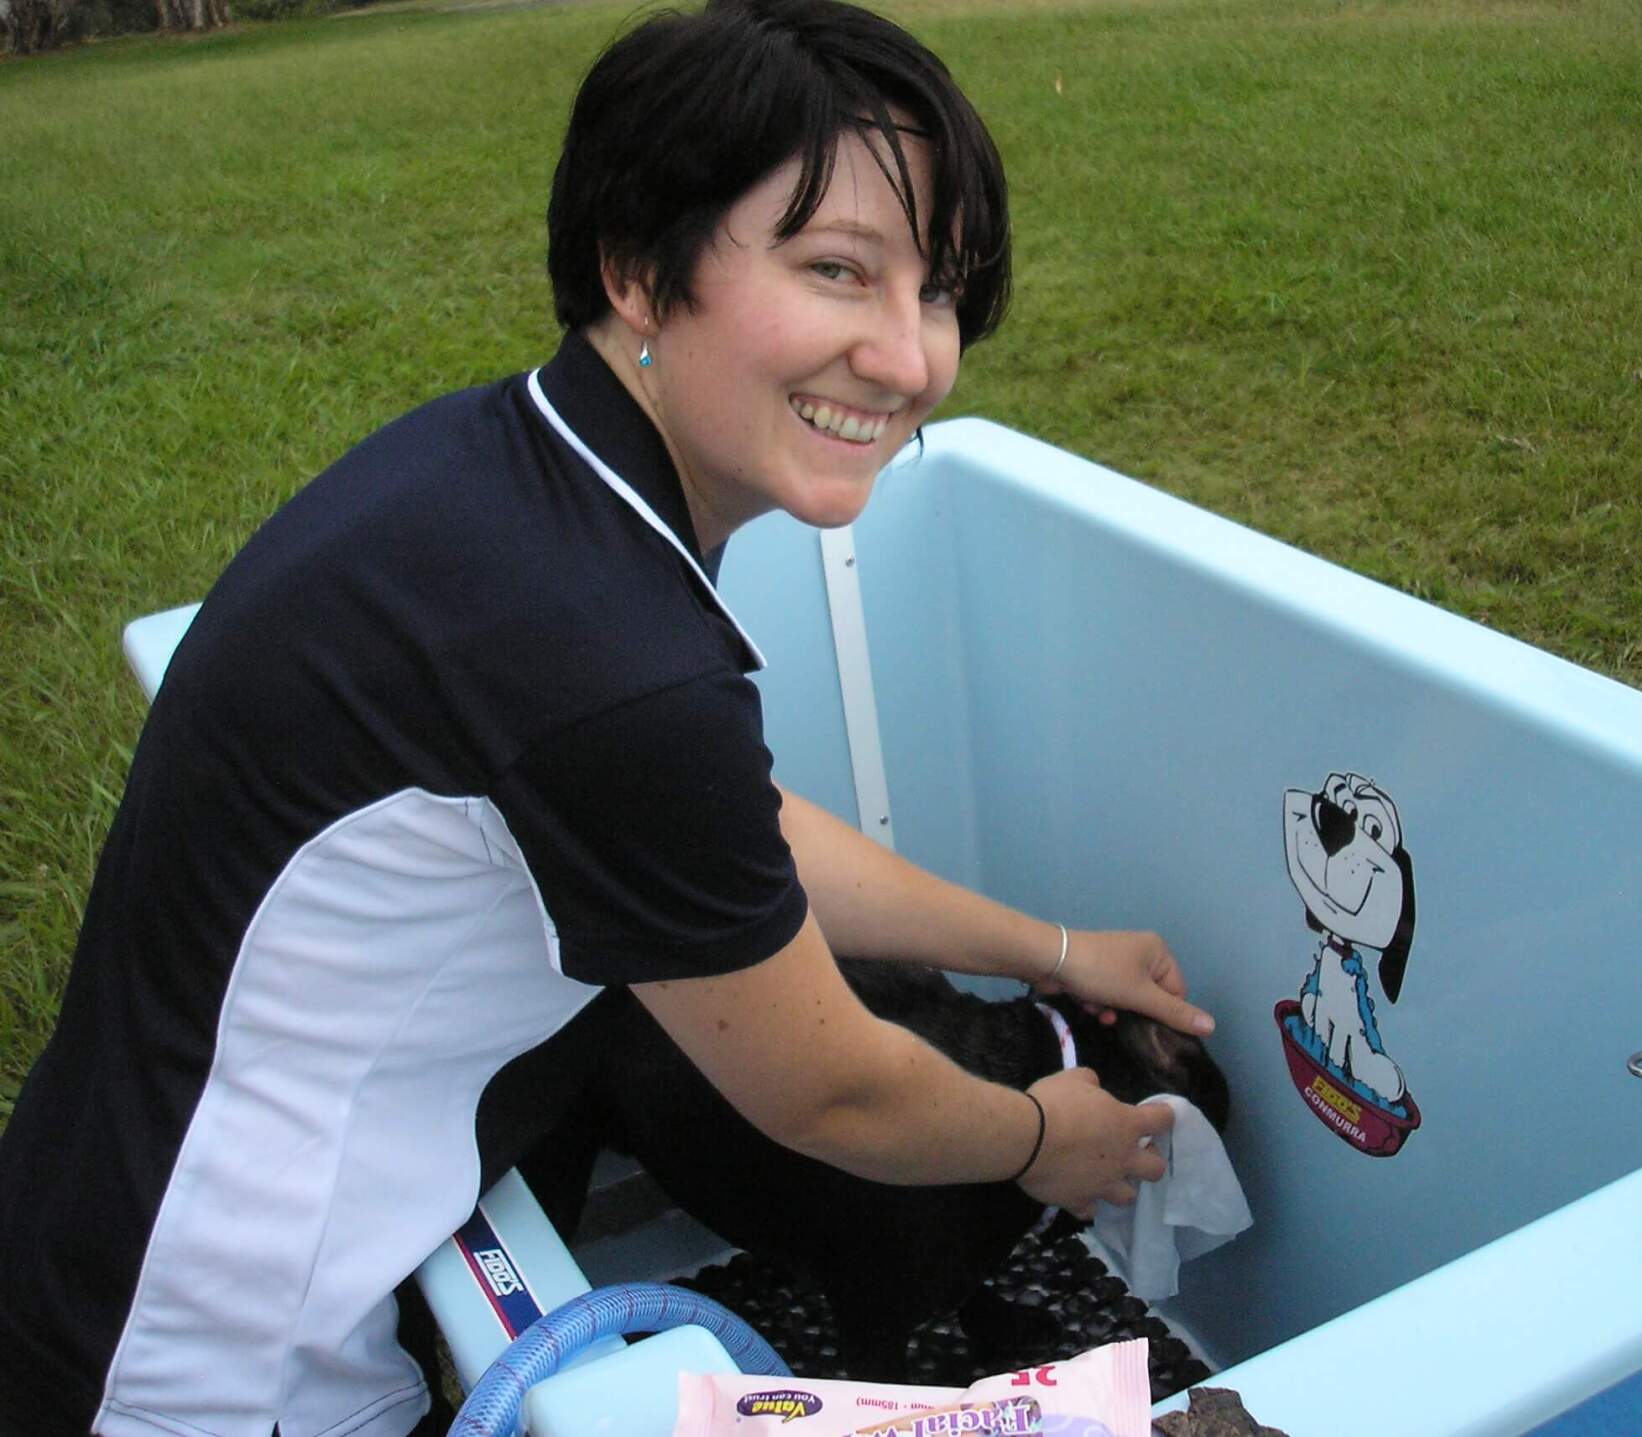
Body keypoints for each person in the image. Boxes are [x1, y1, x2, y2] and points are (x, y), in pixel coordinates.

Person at [0, 3, 1215, 1435]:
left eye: (937, 291)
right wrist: (1040, 1137)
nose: (908, 358)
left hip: (97, 1235)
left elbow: (735, 829)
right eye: (838, 271)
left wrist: (1051, 948)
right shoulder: (604, 651)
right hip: (211, 1368)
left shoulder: (516, 476)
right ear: (640, 268)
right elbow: (831, 1090)